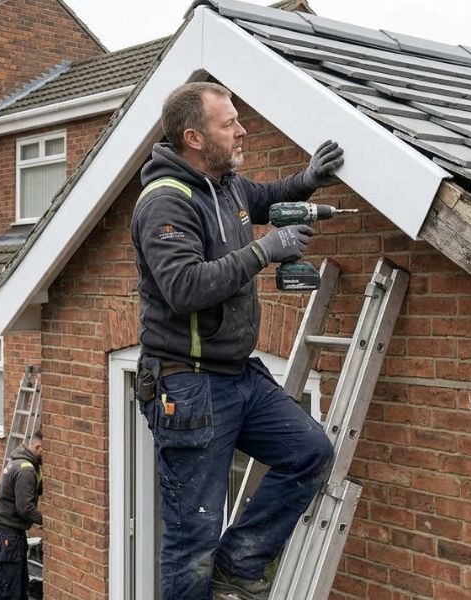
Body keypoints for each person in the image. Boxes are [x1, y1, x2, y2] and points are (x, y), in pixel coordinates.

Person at [130, 81, 345, 600]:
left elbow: (266, 198)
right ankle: (218, 568)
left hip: (236, 376)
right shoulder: (165, 202)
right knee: (192, 538)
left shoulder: (225, 185)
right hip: (188, 387)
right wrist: (264, 251)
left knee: (309, 451)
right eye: (229, 123)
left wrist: (308, 180)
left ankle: (240, 562)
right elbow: (184, 288)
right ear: (195, 137)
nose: (242, 129)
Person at [0, 430, 43, 600]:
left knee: (17, 590)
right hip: (6, 537)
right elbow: (24, 508)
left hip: (5, 534)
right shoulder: (26, 470)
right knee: (9, 593)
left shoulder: (18, 460)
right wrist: (48, 522)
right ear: (38, 447)